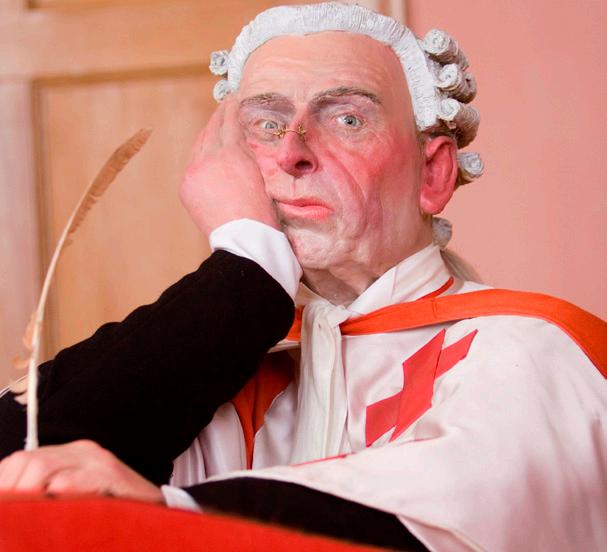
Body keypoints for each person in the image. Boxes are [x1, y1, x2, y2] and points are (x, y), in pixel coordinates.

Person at [1, 3, 606, 550]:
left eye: (347, 119)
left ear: (433, 174)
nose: (292, 151)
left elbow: (463, 507)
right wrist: (246, 273)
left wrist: (172, 512)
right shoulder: (220, 367)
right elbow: (17, 465)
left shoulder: (540, 348)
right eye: (265, 124)